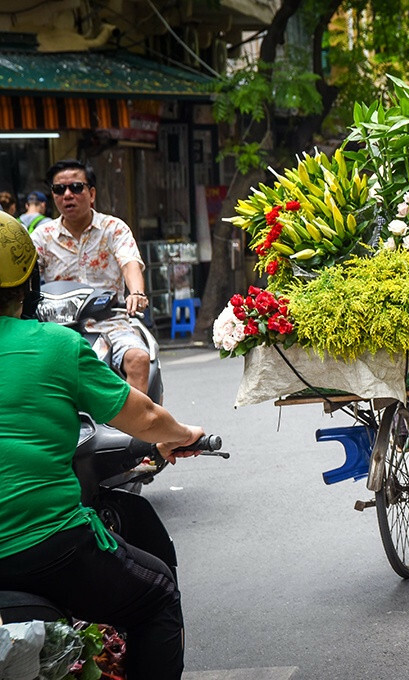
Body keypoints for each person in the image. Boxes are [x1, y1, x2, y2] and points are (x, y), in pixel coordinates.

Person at [0, 213, 204, 680]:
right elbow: (146, 418)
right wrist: (183, 435)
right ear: (29, 282)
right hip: (48, 544)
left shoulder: (110, 236)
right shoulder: (57, 345)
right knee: (156, 599)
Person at [31, 160, 152, 394]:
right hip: (57, 328)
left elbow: (130, 264)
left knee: (138, 358)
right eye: (59, 189)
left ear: (92, 193)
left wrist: (136, 293)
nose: (67, 195)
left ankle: (136, 428)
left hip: (110, 322)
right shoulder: (41, 237)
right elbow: (23, 274)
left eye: (76, 187)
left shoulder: (113, 228)